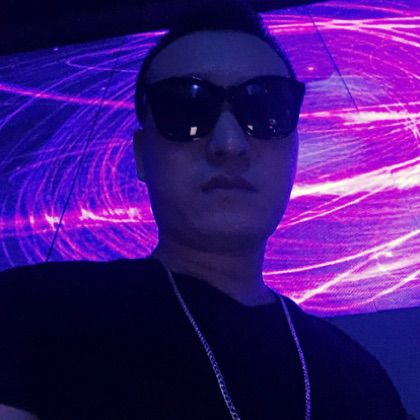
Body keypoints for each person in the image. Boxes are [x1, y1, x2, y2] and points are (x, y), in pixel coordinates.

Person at [0, 1, 408, 419]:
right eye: (186, 108)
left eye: (265, 108)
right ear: (141, 155)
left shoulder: (361, 380)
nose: (229, 144)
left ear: (294, 148)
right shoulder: (36, 315)